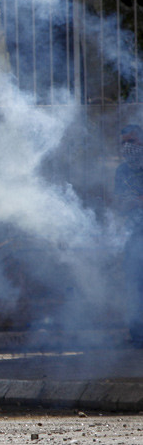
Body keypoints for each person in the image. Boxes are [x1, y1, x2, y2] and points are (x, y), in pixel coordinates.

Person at [116, 124, 143, 348]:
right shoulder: (122, 171)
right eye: (123, 143)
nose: (127, 147)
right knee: (135, 285)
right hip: (135, 236)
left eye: (131, 142)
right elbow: (120, 204)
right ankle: (138, 336)